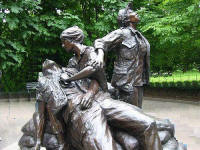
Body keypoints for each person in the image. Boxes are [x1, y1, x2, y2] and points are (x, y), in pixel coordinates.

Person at [59, 26, 169, 150]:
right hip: (87, 108)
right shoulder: (72, 61)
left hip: (104, 100)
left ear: (71, 40)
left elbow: (95, 72)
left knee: (148, 124)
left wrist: (85, 89)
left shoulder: (91, 52)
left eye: (64, 42)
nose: (63, 45)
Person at [94, 4, 150, 108]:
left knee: (138, 113)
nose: (135, 12)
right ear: (126, 19)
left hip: (138, 83)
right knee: (131, 116)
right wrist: (100, 56)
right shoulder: (122, 33)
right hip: (125, 83)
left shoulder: (139, 36)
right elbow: (100, 42)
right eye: (131, 12)